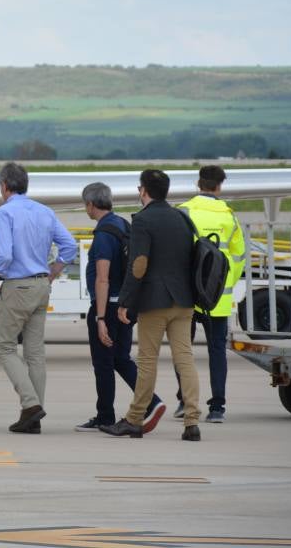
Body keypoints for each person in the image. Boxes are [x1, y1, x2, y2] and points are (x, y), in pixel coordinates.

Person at [100, 169, 202, 441]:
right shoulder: (182, 217)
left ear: (143, 191)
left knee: (147, 361)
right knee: (185, 359)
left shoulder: (143, 220)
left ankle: (134, 419)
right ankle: (192, 421)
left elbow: (139, 265)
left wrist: (125, 301)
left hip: (155, 303)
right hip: (184, 301)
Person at [0, 162, 78, 434]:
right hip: (41, 285)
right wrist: (55, 269)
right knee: (35, 353)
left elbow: (4, 255)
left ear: (4, 186)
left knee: (4, 347)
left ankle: (31, 404)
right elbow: (69, 245)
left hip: (18, 286)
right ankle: (32, 416)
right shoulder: (44, 211)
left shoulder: (4, 212)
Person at [76, 182, 165, 433]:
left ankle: (105, 416)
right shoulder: (123, 225)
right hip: (126, 305)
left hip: (108, 307)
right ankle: (152, 402)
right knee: (121, 359)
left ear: (90, 204)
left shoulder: (104, 233)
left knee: (103, 363)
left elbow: (102, 278)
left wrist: (100, 317)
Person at [173, 165, 245, 423]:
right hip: (219, 298)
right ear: (219, 186)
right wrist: (223, 283)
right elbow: (239, 256)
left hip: (188, 296)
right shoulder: (229, 216)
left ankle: (184, 400)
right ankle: (217, 408)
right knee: (217, 351)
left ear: (198, 183)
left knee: (182, 349)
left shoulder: (183, 211)